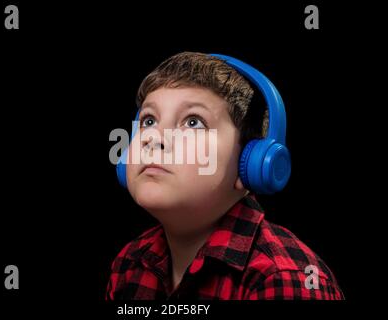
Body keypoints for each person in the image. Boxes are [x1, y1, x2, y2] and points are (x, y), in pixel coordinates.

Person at [106, 52, 343, 300]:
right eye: (149, 120)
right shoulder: (128, 263)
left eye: (193, 122)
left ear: (250, 163)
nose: (153, 138)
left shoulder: (284, 278)